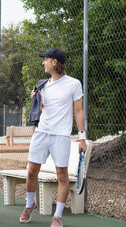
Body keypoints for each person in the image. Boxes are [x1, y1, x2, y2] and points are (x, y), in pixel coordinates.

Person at [19, 48, 87, 227]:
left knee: (61, 176)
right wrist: (37, 101)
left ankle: (57, 216)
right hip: (41, 133)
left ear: (54, 62)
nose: (43, 62)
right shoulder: (43, 84)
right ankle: (29, 204)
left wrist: (82, 138)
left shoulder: (74, 84)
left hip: (61, 136)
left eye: (46, 60)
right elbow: (43, 109)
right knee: (32, 171)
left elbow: (78, 111)